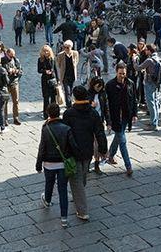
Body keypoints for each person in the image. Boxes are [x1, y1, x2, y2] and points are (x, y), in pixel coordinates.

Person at [63, 86, 107, 221]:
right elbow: (99, 132)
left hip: (73, 151)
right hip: (87, 150)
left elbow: (64, 134)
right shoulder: (93, 113)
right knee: (81, 177)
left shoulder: (68, 113)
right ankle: (78, 196)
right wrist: (103, 149)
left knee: (77, 180)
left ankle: (82, 210)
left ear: (74, 97)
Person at [36, 103, 79, 228]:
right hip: (63, 163)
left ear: (48, 114)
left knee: (49, 183)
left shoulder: (45, 128)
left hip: (49, 163)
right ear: (59, 113)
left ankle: (47, 200)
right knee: (62, 190)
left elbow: (42, 148)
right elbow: (73, 146)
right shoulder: (66, 128)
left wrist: (38, 164)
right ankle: (64, 219)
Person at [105, 63, 138, 176]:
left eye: (124, 73)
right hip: (115, 118)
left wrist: (135, 114)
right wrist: (108, 121)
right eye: (120, 74)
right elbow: (106, 104)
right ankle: (128, 166)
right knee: (122, 141)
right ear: (116, 72)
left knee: (118, 137)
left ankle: (110, 155)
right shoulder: (110, 85)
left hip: (126, 116)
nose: (122, 76)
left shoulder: (130, 83)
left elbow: (134, 99)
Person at [137, 44, 161, 130]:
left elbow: (137, 68)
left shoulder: (149, 60)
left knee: (150, 103)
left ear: (149, 50)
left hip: (149, 83)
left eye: (146, 50)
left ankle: (153, 124)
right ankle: (155, 121)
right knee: (155, 102)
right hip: (156, 83)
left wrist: (134, 60)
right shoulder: (158, 58)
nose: (145, 51)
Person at [87, 77, 110, 174]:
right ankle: (87, 163)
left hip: (99, 122)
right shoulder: (88, 94)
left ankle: (97, 163)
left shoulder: (103, 94)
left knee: (97, 144)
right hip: (89, 122)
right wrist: (90, 105)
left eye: (100, 87)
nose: (98, 89)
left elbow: (106, 109)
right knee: (89, 144)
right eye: (97, 87)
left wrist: (109, 122)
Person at [1, 48, 23, 126]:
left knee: (16, 101)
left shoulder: (16, 60)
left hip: (14, 83)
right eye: (10, 56)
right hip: (6, 85)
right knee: (5, 102)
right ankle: (5, 119)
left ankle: (16, 118)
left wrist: (16, 71)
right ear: (7, 54)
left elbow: (21, 71)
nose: (12, 58)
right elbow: (0, 72)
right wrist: (7, 72)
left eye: (13, 56)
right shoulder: (2, 60)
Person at [56, 40, 79, 108]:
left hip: (72, 75)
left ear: (71, 47)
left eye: (67, 47)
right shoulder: (60, 55)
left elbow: (76, 61)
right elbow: (59, 63)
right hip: (65, 75)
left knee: (71, 90)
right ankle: (68, 105)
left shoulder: (75, 53)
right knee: (67, 90)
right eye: (65, 47)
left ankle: (69, 101)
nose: (66, 49)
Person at [38, 45, 58, 120]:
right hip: (45, 80)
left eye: (47, 51)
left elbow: (56, 69)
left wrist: (58, 80)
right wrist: (45, 71)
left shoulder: (52, 59)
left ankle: (54, 114)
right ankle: (45, 114)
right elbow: (39, 70)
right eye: (44, 51)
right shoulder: (40, 60)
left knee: (53, 98)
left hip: (52, 79)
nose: (46, 52)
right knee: (46, 98)